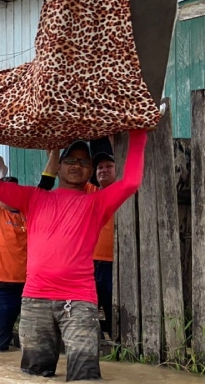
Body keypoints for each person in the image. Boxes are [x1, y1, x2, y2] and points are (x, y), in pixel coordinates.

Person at [0, 129, 146, 381]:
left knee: (84, 376)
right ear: (60, 165)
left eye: (84, 162)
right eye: (71, 160)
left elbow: (130, 182)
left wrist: (140, 135)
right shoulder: (34, 197)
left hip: (79, 302)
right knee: (34, 376)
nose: (77, 165)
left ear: (90, 171)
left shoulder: (97, 202)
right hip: (35, 300)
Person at [0, 151, 59, 352]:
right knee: (0, 345)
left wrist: (55, 151)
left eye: (14, 192)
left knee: (38, 343)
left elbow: (47, 181)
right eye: (4, 192)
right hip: (1, 288)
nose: (9, 196)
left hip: (33, 286)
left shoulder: (32, 209)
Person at [88, 142, 117, 340]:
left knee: (114, 307)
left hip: (115, 263)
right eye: (99, 167)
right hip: (90, 263)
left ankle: (117, 345)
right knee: (88, 309)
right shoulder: (90, 193)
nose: (103, 170)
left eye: (109, 166)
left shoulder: (124, 192)